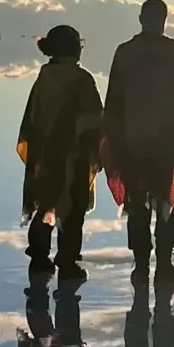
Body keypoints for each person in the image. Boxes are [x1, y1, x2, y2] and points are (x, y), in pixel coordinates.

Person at [102, 0, 174, 284]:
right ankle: (164, 262)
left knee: (137, 202)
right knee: (166, 201)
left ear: (141, 18)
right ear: (164, 19)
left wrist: (111, 138)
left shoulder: (125, 52)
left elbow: (113, 101)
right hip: (166, 140)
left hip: (132, 139)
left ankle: (141, 263)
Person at [15, 23, 102, 282]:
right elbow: (94, 119)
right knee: (72, 213)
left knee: (45, 204)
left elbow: (31, 119)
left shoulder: (44, 78)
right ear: (75, 49)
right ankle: (67, 261)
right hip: (73, 156)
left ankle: (39, 258)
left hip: (45, 155)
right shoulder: (81, 79)